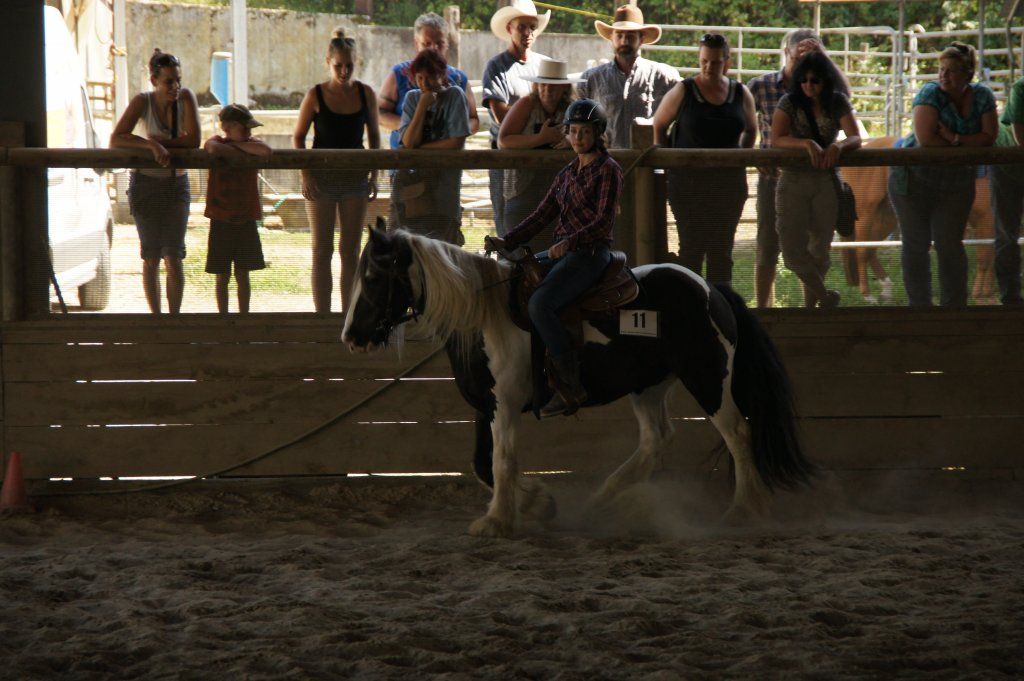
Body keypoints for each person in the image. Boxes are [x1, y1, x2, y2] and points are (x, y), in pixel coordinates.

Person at [486, 100, 623, 418]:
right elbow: (542, 214)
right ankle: (527, 372)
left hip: (591, 253)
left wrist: (570, 241)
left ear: (598, 134)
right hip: (566, 250)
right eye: (573, 131)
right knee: (515, 278)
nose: (577, 138)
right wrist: (507, 240)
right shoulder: (566, 174)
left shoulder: (608, 170)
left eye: (585, 132)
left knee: (540, 304)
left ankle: (569, 385)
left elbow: (603, 221)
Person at [889, 42, 997, 307]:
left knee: (949, 244)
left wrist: (953, 138)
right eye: (941, 69)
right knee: (916, 245)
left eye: (951, 71)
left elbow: (989, 137)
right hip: (913, 180)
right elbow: (926, 139)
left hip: (956, 183)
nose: (943, 76)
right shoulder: (929, 93)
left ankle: (954, 307)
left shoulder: (982, 96)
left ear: (967, 75)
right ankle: (920, 307)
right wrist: (964, 143)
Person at [652, 33, 756, 286]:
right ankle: (693, 309)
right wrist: (670, 166)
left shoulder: (740, 92)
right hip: (689, 187)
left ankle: (723, 310)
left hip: (728, 187)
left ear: (727, 63)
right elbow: (659, 126)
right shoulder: (684, 90)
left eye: (716, 62)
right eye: (704, 61)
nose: (709, 67)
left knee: (722, 252)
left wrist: (738, 159)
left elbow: (751, 130)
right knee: (691, 250)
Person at [293, 28, 381, 313]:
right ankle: (322, 317)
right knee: (321, 251)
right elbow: (298, 136)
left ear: (357, 64)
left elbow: (376, 138)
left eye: (349, 66)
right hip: (321, 180)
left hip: (355, 178)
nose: (344, 71)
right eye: (338, 66)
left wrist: (374, 175)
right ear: (327, 63)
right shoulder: (315, 94)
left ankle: (349, 314)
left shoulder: (366, 94)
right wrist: (306, 173)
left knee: (351, 251)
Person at [110, 48, 200, 314]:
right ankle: (156, 318)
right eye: (169, 81)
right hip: (146, 185)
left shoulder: (186, 98)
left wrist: (162, 144)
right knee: (150, 256)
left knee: (173, 255)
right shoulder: (142, 101)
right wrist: (150, 145)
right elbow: (116, 139)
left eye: (178, 80)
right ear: (154, 81)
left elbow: (194, 140)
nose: (176, 87)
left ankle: (174, 319)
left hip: (176, 185)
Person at [771, 50, 862, 308]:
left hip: (826, 180)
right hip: (793, 180)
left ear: (826, 81)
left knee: (821, 247)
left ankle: (811, 309)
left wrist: (838, 147)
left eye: (815, 80)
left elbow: (855, 137)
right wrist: (805, 143)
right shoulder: (789, 102)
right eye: (804, 80)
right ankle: (824, 296)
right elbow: (776, 138)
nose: (809, 86)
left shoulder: (838, 102)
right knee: (791, 249)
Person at [748, 29, 829, 307]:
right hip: (774, 178)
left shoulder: (824, 89)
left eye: (814, 59)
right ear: (786, 53)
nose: (807, 66)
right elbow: (743, 122)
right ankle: (763, 310)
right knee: (767, 245)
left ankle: (810, 311)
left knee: (812, 247)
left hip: (814, 179)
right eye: (801, 58)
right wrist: (753, 154)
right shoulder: (760, 85)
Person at [481, 0, 551, 237]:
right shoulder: (497, 66)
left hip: (542, 160)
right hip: (507, 159)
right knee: (507, 224)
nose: (528, 33)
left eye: (532, 27)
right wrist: (537, 130)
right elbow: (501, 116)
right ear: (510, 28)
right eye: (522, 27)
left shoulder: (543, 65)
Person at [497, 58, 578, 245]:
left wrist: (570, 140)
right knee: (520, 249)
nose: (547, 90)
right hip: (523, 190)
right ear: (537, 85)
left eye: (554, 86)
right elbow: (504, 140)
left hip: (561, 192)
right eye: (543, 85)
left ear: (564, 88)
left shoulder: (572, 108)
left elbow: (592, 138)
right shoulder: (526, 104)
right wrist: (540, 139)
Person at [395, 49, 471, 244]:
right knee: (412, 243)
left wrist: (418, 150)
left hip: (446, 187)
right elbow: (408, 141)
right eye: (419, 78)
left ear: (442, 75)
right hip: (415, 188)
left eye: (430, 77)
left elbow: (456, 142)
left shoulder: (455, 95)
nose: (424, 83)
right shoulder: (413, 98)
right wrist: (422, 106)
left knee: (445, 242)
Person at [577, 5, 679, 148]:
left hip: (650, 161)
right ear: (611, 38)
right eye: (619, 35)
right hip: (606, 162)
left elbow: (684, 112)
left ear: (641, 39)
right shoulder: (590, 79)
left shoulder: (664, 77)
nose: (624, 41)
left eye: (630, 36)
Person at [203, 105, 272, 314]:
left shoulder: (252, 144)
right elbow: (213, 149)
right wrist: (240, 148)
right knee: (222, 275)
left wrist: (236, 147)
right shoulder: (216, 141)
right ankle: (223, 317)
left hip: (245, 219)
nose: (249, 133)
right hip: (221, 218)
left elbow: (266, 151)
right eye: (245, 129)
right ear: (228, 127)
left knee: (243, 274)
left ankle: (244, 317)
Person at [378, 13, 479, 150]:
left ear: (447, 43)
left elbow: (473, 119)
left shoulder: (459, 79)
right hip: (405, 163)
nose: (433, 48)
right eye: (427, 43)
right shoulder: (398, 74)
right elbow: (379, 114)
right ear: (416, 44)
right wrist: (410, 125)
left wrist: (456, 130)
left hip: (445, 162)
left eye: (439, 43)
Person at [989, 75, 1024, 305]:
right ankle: (1010, 298)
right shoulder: (1021, 88)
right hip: (1008, 166)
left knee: (1006, 232)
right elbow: (1022, 139)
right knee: (1006, 232)